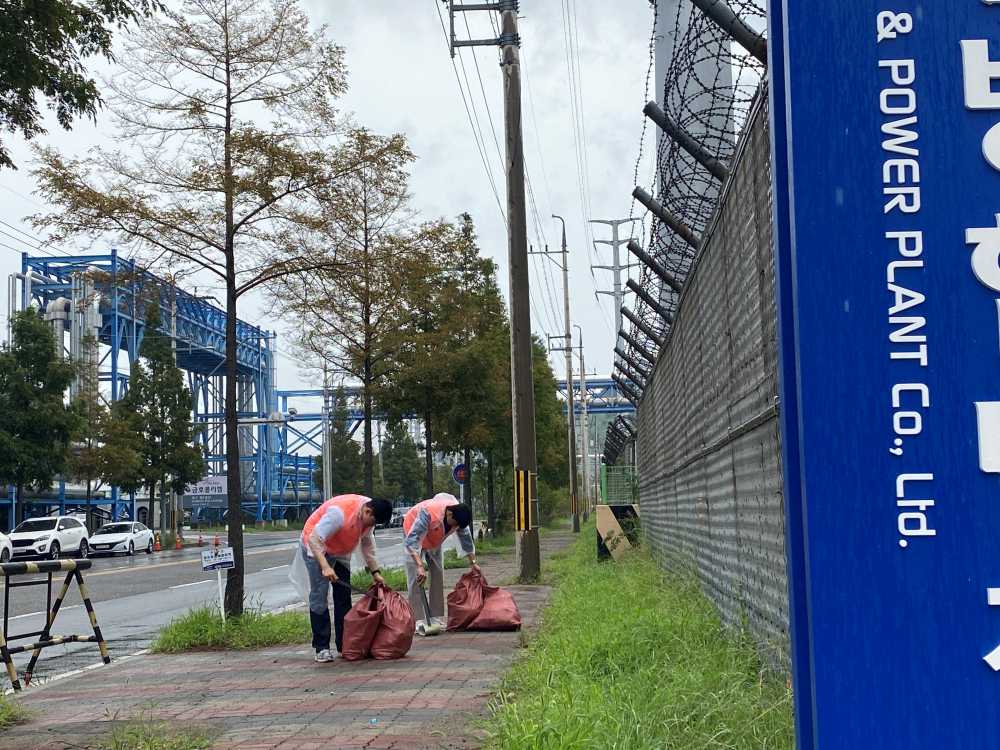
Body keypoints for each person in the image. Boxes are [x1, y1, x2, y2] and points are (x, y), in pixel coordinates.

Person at [301, 494, 393, 662]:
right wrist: (325, 567)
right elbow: (315, 539)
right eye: (372, 522)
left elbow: (367, 544)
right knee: (319, 596)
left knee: (343, 596)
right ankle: (321, 647)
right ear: (367, 511)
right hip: (315, 548)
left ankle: (345, 644)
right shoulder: (338, 514)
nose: (371, 526)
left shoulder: (369, 515)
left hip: (340, 550)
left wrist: (375, 572)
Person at [403, 492, 479, 630]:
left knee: (438, 572)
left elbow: (466, 540)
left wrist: (473, 563)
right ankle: (418, 619)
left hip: (435, 538)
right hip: (412, 532)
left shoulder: (459, 516)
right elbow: (412, 542)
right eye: (454, 524)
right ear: (449, 514)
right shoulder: (429, 513)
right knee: (415, 577)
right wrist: (420, 566)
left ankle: (435, 616)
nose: (455, 527)